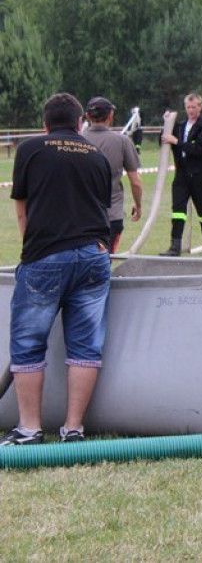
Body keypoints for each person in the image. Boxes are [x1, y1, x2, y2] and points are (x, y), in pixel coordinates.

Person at [2, 93, 112, 445]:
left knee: (28, 344)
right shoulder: (96, 154)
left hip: (47, 257)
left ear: (45, 123)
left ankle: (31, 429)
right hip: (95, 257)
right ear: (80, 123)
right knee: (86, 346)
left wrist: (32, 251)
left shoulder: (31, 149)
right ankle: (73, 429)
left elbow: (23, 209)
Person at [83, 97, 144, 253]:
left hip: (81, 217)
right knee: (103, 264)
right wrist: (138, 205)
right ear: (110, 115)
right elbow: (135, 181)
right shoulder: (122, 142)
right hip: (111, 216)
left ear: (88, 117)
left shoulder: (76, 140)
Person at [160, 93, 202, 256]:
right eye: (188, 107)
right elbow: (164, 139)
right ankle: (175, 246)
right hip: (181, 176)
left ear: (200, 107)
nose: (191, 110)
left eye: (194, 107)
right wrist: (166, 123)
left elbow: (200, 150)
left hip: (199, 176)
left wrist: (177, 142)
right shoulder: (181, 126)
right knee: (178, 210)